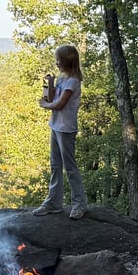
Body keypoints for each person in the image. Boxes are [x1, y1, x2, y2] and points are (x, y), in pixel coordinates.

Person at [33, 43, 88, 220]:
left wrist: (45, 105)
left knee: (70, 167)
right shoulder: (62, 79)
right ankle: (54, 203)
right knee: (55, 165)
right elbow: (51, 96)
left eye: (58, 60)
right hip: (55, 126)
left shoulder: (73, 82)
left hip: (66, 129)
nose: (56, 63)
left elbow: (59, 103)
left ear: (65, 60)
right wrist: (49, 83)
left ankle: (79, 204)